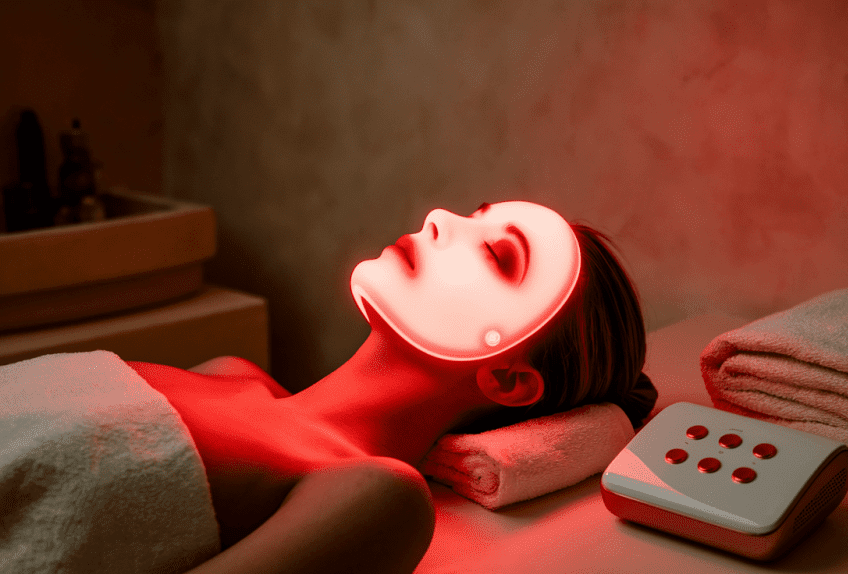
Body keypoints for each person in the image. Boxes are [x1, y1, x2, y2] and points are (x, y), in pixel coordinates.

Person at [126, 200, 657, 574]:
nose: (439, 219)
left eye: (496, 255)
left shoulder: (378, 496)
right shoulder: (230, 372)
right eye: (474, 214)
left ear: (509, 380)